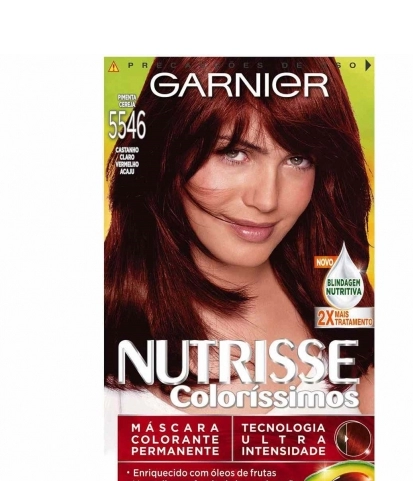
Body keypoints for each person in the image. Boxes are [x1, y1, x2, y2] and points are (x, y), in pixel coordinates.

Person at [104, 57, 374, 440]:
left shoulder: (359, 337)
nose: (267, 200)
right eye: (233, 153)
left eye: (298, 159)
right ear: (164, 151)